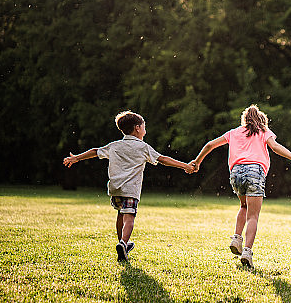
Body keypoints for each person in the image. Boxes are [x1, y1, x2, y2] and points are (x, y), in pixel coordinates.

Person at [62, 111, 193, 261]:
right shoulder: (143, 147)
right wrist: (185, 166)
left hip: (115, 189)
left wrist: (76, 158)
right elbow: (163, 159)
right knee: (129, 217)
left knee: (121, 214)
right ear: (137, 128)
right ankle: (124, 243)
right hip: (131, 190)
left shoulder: (115, 146)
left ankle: (121, 243)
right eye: (144, 127)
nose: (145, 130)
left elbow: (95, 152)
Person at [190, 104, 291, 268]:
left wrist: (197, 162)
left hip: (236, 173)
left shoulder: (234, 132)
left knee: (244, 206)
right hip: (254, 172)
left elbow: (209, 145)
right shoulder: (263, 131)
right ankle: (247, 252)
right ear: (261, 120)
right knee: (253, 216)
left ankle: (236, 238)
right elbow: (275, 147)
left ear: (244, 119)